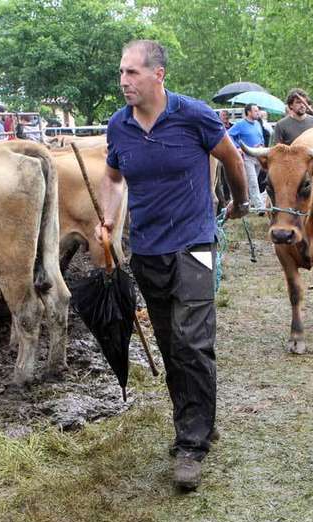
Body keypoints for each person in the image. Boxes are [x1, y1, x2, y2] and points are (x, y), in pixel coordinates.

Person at [96, 39, 248, 491]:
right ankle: (201, 418)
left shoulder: (194, 114)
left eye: (132, 73)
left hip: (196, 243)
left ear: (158, 75)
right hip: (147, 249)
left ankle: (191, 445)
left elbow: (231, 158)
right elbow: (112, 177)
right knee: (168, 342)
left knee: (191, 340)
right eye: (121, 73)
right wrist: (107, 217)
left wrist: (239, 202)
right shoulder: (119, 128)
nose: (124, 81)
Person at [228, 103, 266, 209]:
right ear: (248, 112)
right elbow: (228, 134)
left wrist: (262, 144)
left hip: (259, 155)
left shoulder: (258, 124)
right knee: (253, 180)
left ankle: (249, 201)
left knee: (255, 180)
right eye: (255, 111)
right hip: (247, 156)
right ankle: (260, 207)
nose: (258, 113)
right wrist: (237, 147)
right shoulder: (240, 124)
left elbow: (261, 137)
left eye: (258, 110)